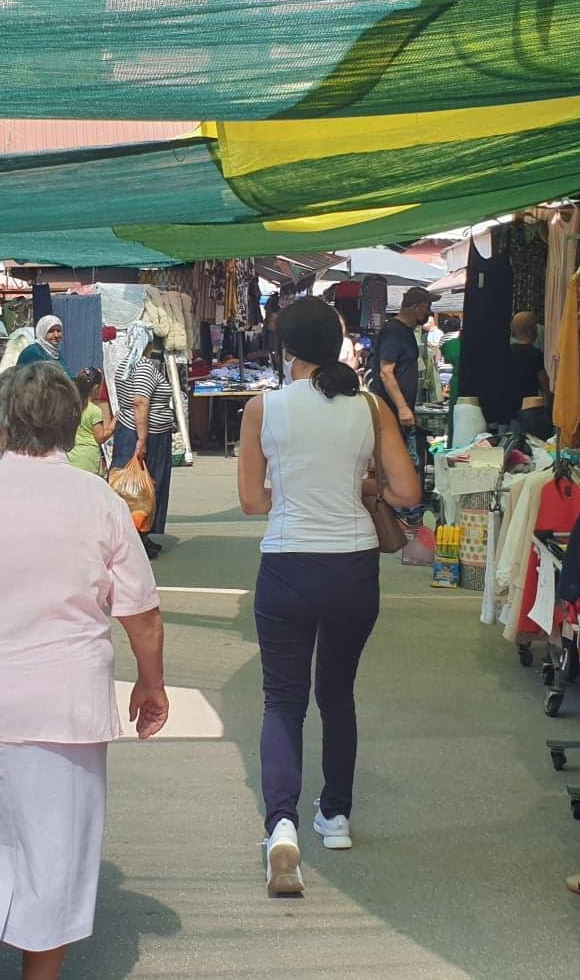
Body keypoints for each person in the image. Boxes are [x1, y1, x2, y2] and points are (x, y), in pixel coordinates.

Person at [0, 362, 169, 980]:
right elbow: (142, 612)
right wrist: (151, 684)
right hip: (62, 706)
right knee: (54, 851)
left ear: (3, 422)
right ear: (68, 423)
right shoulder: (98, 501)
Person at [236, 298, 422, 896]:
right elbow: (408, 490)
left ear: (286, 347)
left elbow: (252, 502)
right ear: (340, 341)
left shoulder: (263, 408)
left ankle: (282, 825)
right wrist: (362, 482)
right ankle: (336, 815)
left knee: (281, 702)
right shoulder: (368, 406)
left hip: (287, 565)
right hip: (353, 567)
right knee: (337, 694)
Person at [112, 339, 178, 558]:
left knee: (136, 488)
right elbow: (140, 402)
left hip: (132, 431)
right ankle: (137, 536)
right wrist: (142, 438)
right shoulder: (143, 368)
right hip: (145, 434)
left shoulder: (126, 365)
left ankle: (142, 535)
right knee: (144, 487)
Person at [366, 286, 435, 471]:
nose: (429, 313)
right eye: (427, 307)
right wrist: (402, 408)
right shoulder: (394, 331)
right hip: (391, 410)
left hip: (398, 409)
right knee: (397, 462)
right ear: (417, 307)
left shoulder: (405, 331)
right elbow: (386, 372)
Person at [508, 310, 553, 441]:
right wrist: (548, 408)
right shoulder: (535, 355)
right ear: (533, 329)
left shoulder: (504, 353)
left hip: (507, 411)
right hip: (530, 411)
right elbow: (545, 385)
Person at [68, 367, 115, 475]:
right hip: (88, 459)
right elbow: (100, 438)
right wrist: (113, 425)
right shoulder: (94, 411)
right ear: (96, 389)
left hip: (71, 456)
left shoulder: (72, 407)